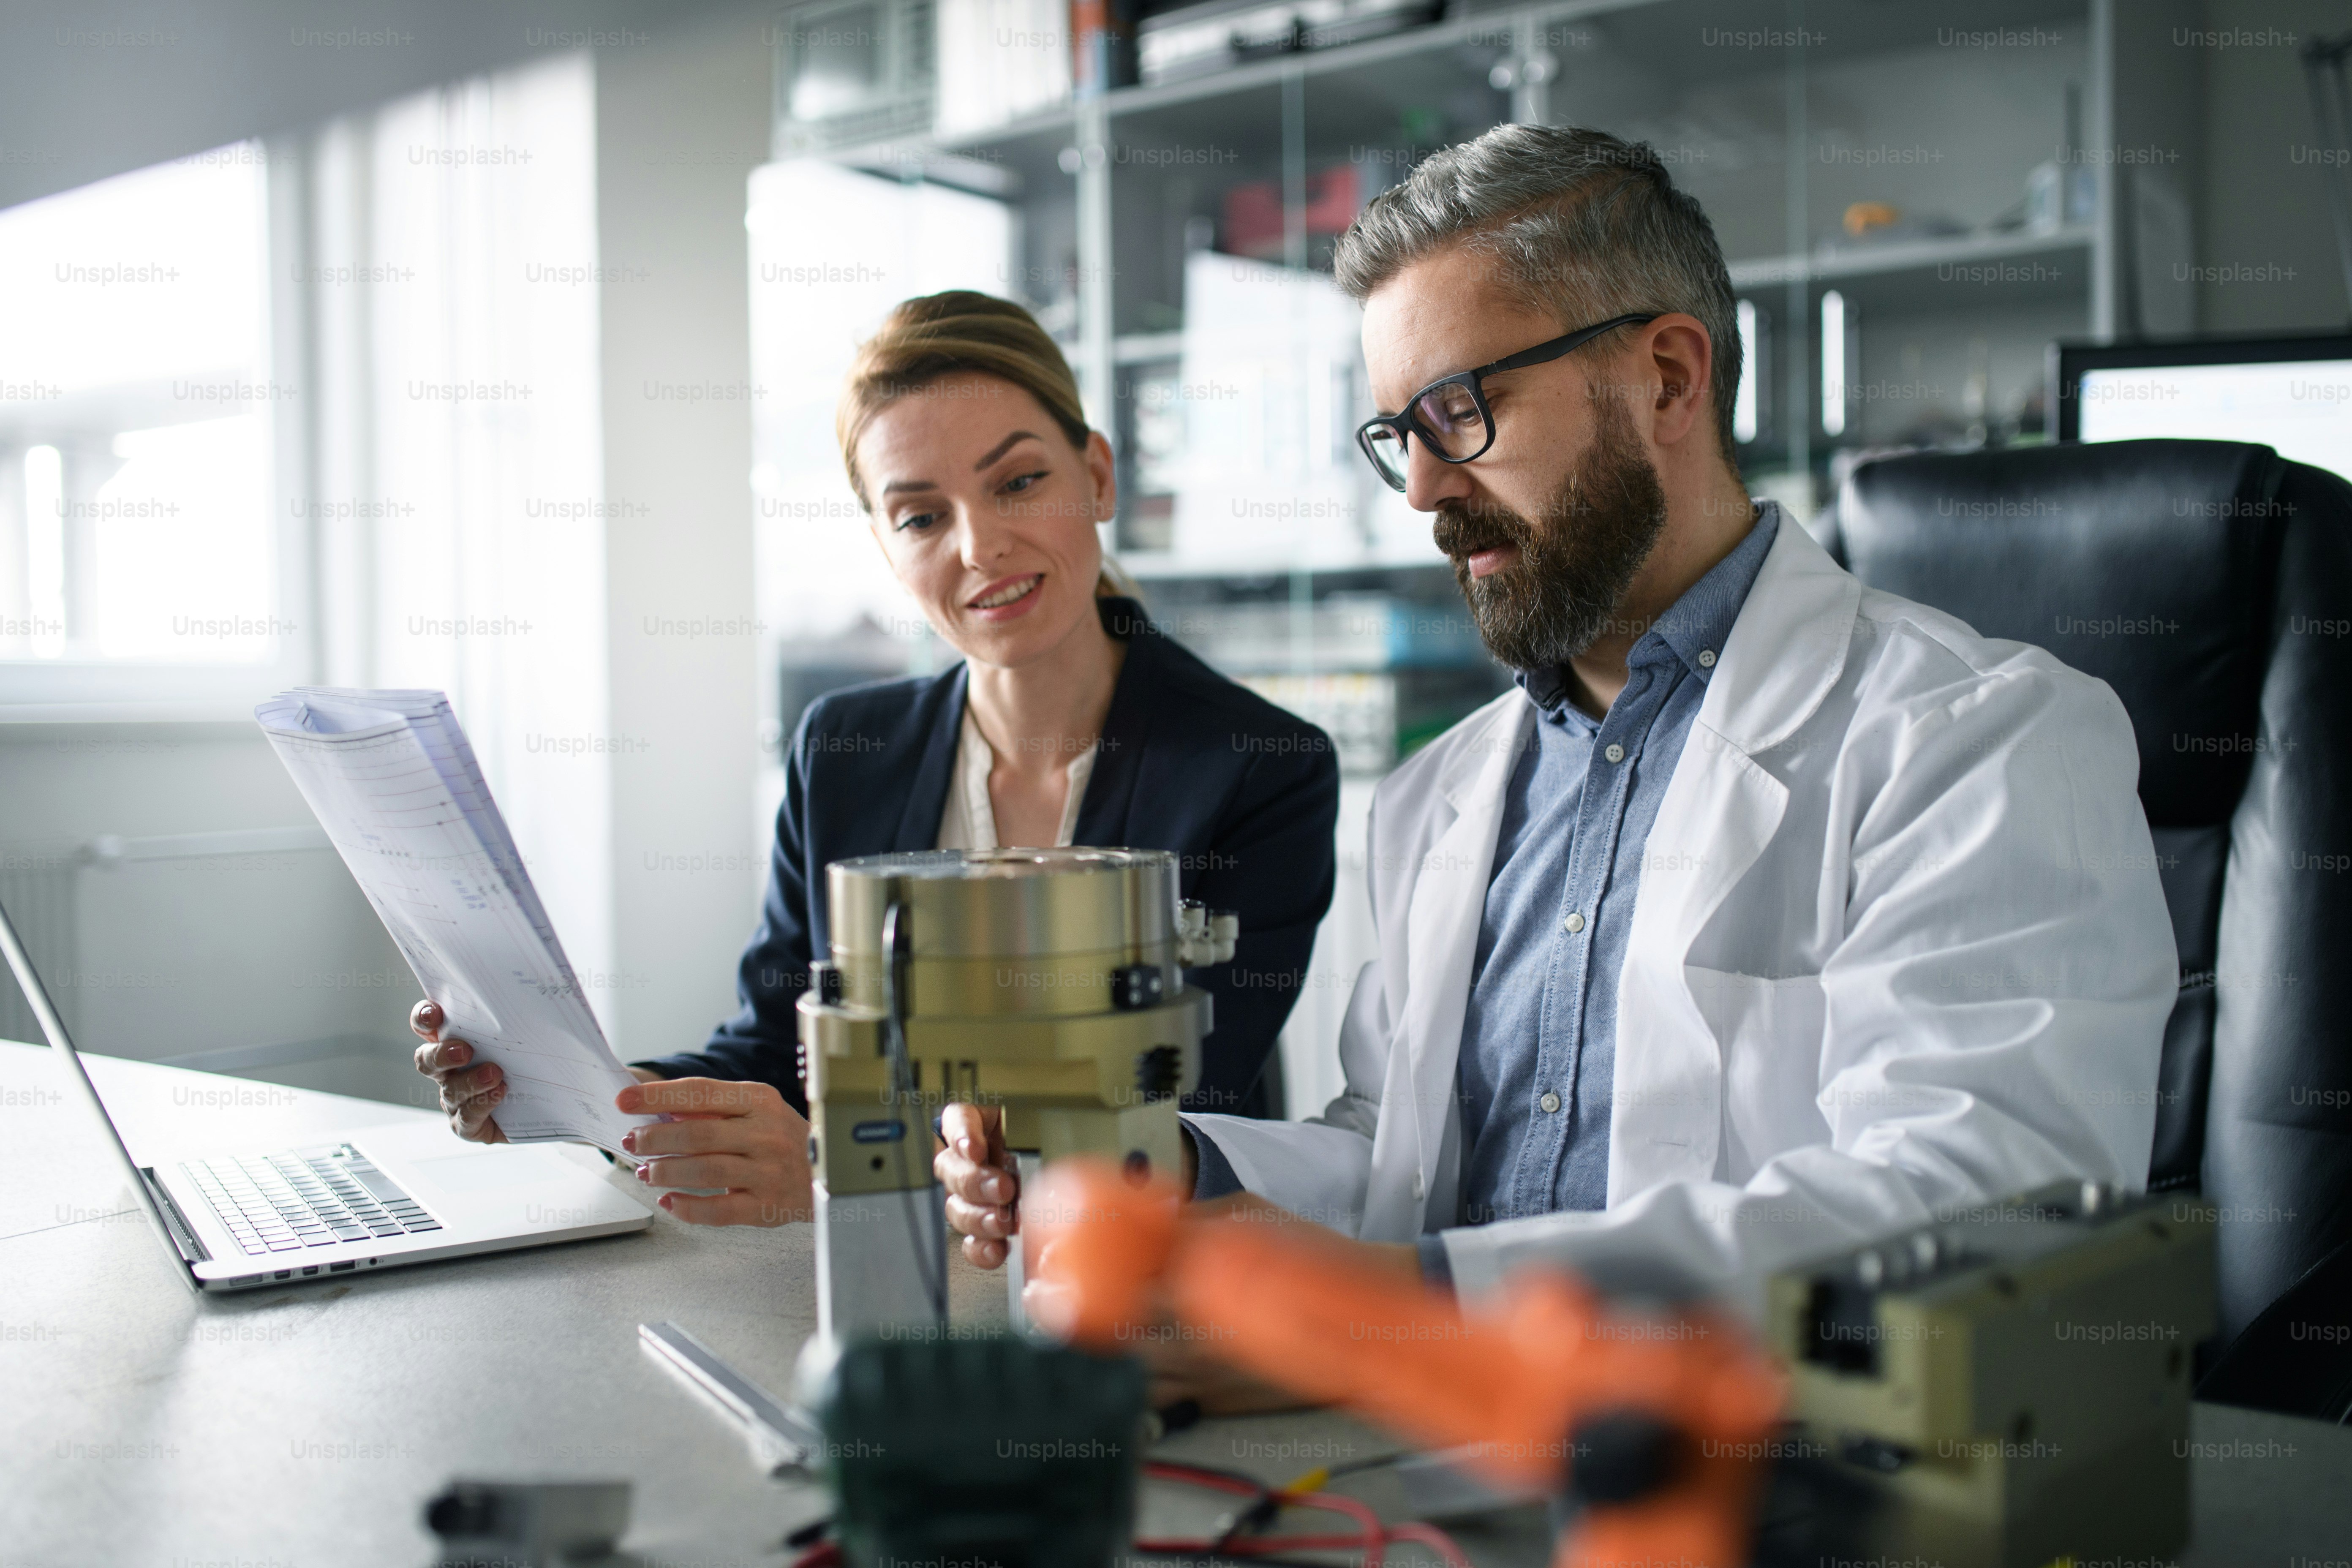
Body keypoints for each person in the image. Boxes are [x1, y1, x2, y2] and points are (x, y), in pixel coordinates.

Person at [937, 123, 2176, 1401]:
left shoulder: (1980, 739)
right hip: (1425, 1459)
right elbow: (1395, 1161)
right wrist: (1170, 1170)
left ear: (1669, 380)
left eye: (1461, 412)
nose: (1421, 490)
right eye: (1397, 434)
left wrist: (1399, 1313)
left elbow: (1981, 1212)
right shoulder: (1441, 795)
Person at [413, 292, 1340, 1227]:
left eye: (1019, 482)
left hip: (1147, 1282)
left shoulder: (1259, 767)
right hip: (891, 1274)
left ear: (1097, 476)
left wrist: (834, 1168)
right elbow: (777, 1049)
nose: (981, 547)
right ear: (885, 547)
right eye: (922, 516)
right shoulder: (844, 752)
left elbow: (1167, 1126)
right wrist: (580, 1096)